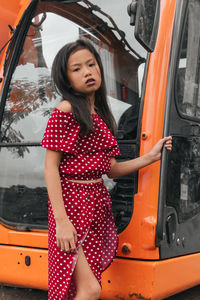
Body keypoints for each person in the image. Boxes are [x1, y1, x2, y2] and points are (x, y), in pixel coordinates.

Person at [41, 39, 172, 300]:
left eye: (91, 64)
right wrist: (62, 221)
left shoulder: (100, 117)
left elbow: (111, 170)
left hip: (96, 206)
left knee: (84, 287)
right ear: (66, 79)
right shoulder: (66, 110)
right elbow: (50, 167)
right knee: (89, 289)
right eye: (76, 69)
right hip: (73, 206)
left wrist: (150, 157)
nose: (87, 72)